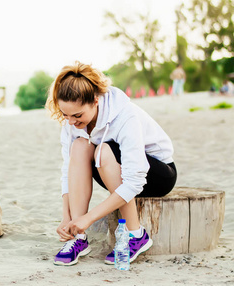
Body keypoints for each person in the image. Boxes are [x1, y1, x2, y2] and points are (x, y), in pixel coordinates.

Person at [45, 61, 177, 266]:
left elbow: (135, 181)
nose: (71, 121)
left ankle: (136, 235)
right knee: (79, 147)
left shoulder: (125, 115)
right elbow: (67, 171)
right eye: (65, 115)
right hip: (112, 167)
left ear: (95, 100)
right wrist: (67, 217)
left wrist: (89, 218)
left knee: (104, 150)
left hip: (157, 174)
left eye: (77, 115)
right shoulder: (72, 123)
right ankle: (77, 237)